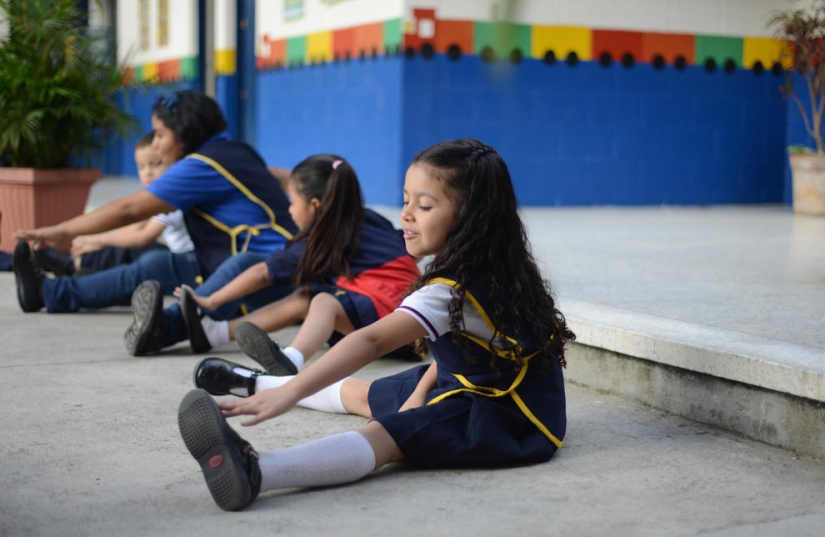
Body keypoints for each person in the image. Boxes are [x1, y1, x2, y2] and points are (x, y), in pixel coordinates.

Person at [176, 138, 576, 511]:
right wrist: (419, 393)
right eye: (405, 200)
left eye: (424, 205)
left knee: (386, 435)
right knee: (361, 394)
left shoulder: (450, 289)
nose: (404, 214)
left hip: (508, 417)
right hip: (489, 382)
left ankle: (257, 469)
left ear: (470, 215)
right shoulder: (494, 261)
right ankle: (253, 384)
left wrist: (293, 393)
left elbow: (370, 342)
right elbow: (466, 347)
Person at [11, 90, 298, 350]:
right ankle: (48, 292)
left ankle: (165, 327)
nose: (156, 146)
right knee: (156, 263)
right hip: (224, 264)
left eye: (160, 135)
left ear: (183, 133)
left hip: (277, 281)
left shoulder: (201, 165)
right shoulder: (234, 150)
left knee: (242, 264)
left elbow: (129, 210)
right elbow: (283, 177)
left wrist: (61, 231)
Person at [130, 154, 421, 366]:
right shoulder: (366, 219)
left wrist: (213, 301)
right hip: (413, 326)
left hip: (392, 326)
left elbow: (262, 274)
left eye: (292, 201)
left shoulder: (323, 237)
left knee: (320, 301)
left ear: (315, 205)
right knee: (307, 296)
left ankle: (292, 359)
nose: (290, 210)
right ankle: (213, 332)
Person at [33, 132, 193, 277]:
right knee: (122, 242)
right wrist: (96, 240)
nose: (147, 172)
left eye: (155, 164)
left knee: (138, 248)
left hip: (186, 263)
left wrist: (102, 240)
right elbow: (135, 225)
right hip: (176, 258)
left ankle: (75, 266)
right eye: (141, 167)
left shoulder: (173, 197)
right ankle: (81, 264)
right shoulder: (158, 197)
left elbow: (144, 236)